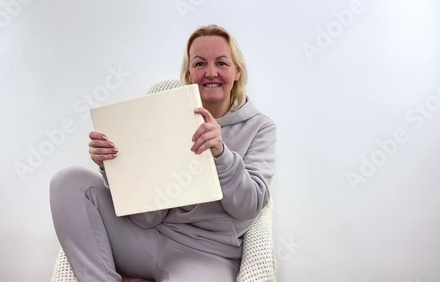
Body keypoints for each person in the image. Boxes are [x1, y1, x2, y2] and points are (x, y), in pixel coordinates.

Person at [50, 24, 276, 282]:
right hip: (147, 239)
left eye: (222, 63)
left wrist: (221, 154)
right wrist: (111, 165)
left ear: (237, 71)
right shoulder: (166, 114)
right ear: (190, 74)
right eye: (200, 64)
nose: (211, 72)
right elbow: (146, 217)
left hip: (207, 256)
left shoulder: (260, 127)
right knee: (67, 182)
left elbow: (249, 206)